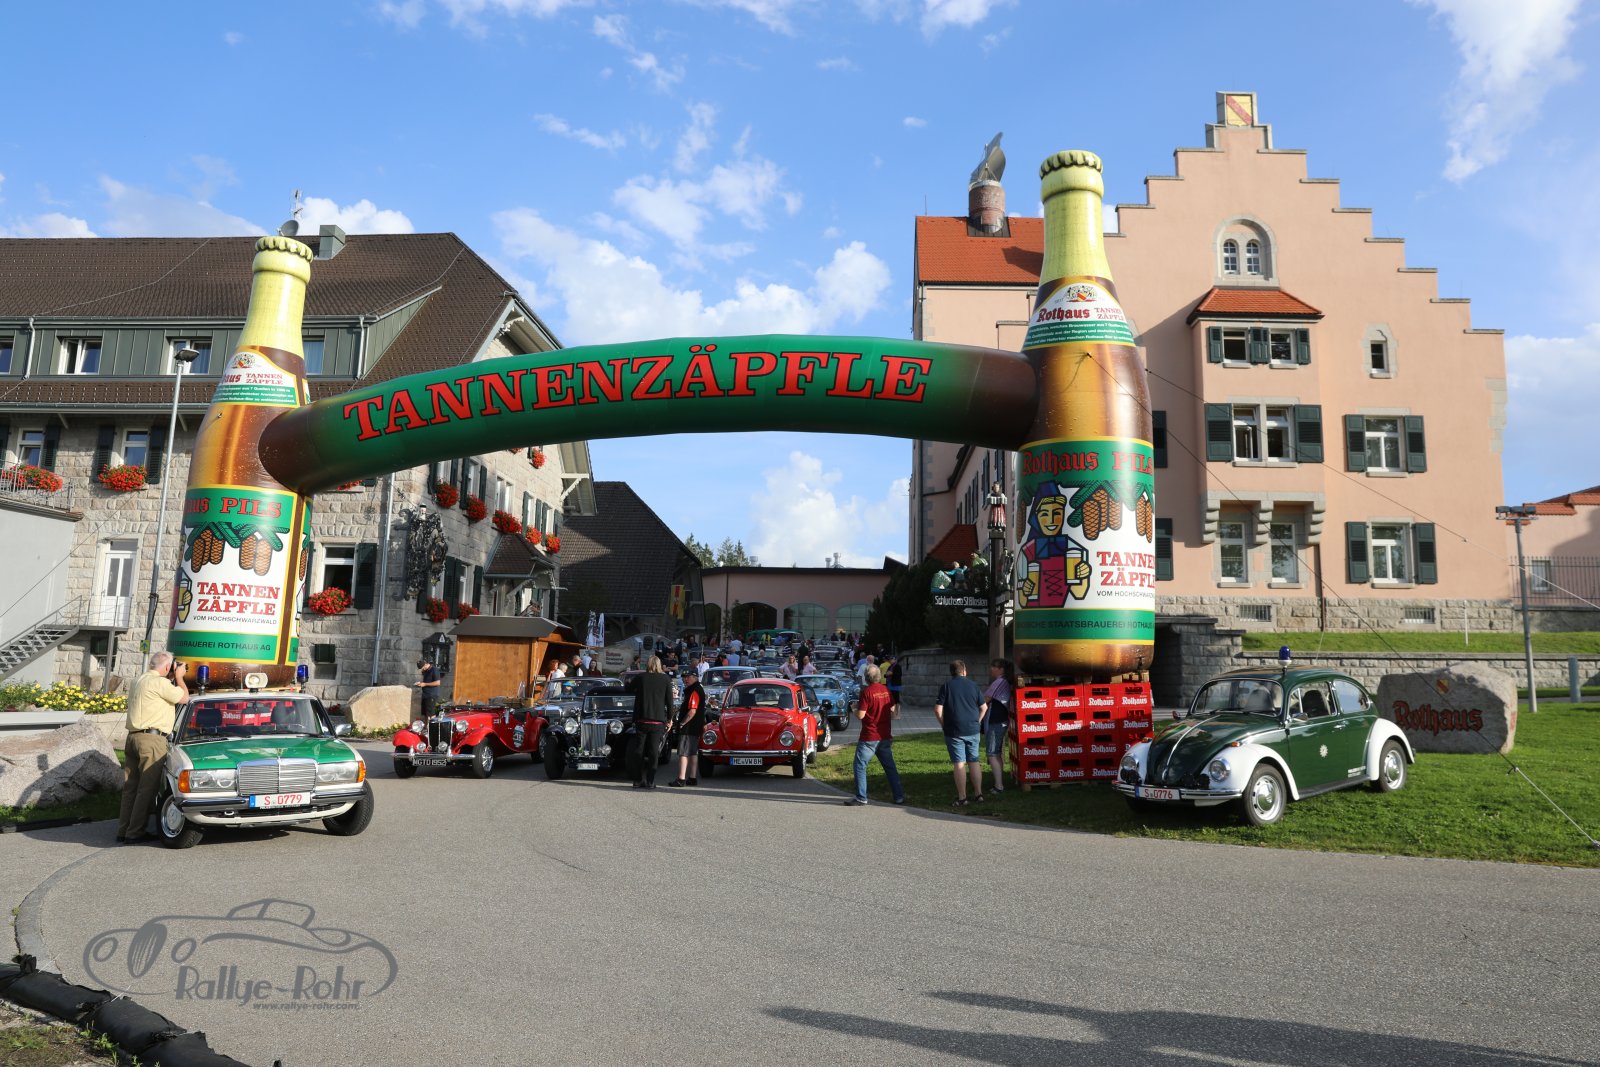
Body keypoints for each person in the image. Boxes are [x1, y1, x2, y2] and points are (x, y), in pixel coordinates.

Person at [117, 651, 190, 843]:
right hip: (151, 740)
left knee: (131, 788)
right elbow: (184, 698)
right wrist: (180, 678)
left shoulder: (139, 680)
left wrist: (172, 676)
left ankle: (123, 830)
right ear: (167, 667)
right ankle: (135, 833)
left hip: (133, 737)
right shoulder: (160, 683)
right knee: (147, 788)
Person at [844, 664, 905, 806]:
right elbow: (893, 711)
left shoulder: (866, 692)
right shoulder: (886, 690)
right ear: (878, 676)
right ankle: (899, 796)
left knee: (860, 765)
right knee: (890, 767)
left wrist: (853, 709)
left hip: (869, 736)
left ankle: (861, 797)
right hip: (884, 735)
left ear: (866, 678)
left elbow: (861, 715)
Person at [935, 659, 986, 806]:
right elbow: (984, 707)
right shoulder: (973, 685)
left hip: (954, 730)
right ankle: (979, 794)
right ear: (964, 671)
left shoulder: (946, 686)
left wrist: (944, 724)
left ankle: (962, 798)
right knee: (974, 761)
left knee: (959, 763)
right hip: (973, 729)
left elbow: (937, 710)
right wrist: (978, 721)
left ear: (951, 672)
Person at [626, 656, 674, 789]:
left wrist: (629, 682)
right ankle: (650, 780)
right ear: (659, 665)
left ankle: (637, 780)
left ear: (647, 665)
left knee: (639, 750)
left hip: (642, 719)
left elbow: (627, 689)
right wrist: (670, 719)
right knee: (654, 752)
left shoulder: (641, 678)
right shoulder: (665, 679)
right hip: (657, 720)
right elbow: (669, 702)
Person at [982, 658, 1016, 795]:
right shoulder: (1004, 681)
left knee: (992, 754)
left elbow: (985, 699)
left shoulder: (1000, 681)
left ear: (1001, 669)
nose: (991, 668)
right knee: (996, 753)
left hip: (996, 722)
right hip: (1000, 721)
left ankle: (999, 786)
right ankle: (999, 782)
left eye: (994, 666)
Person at [669, 670, 706, 787]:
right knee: (693, 752)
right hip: (695, 727)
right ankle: (692, 778)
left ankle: (681, 779)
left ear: (695, 677)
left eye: (688, 677)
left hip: (689, 727)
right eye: (684, 677)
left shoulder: (694, 691)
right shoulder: (697, 689)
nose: (685, 679)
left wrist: (682, 723)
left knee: (683, 753)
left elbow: (692, 711)